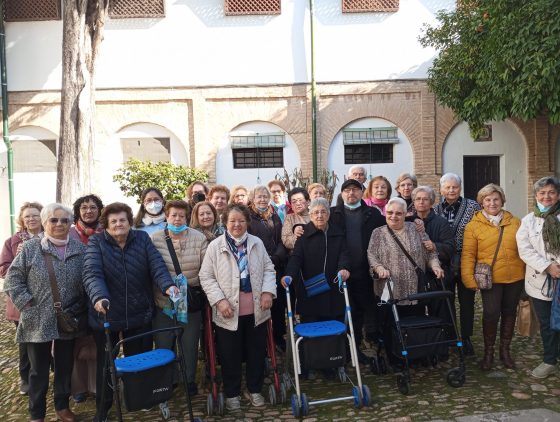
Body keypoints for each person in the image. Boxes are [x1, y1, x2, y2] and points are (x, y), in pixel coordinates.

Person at [82, 202, 178, 421]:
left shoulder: (142, 239)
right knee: (106, 365)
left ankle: (140, 398)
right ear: (106, 224)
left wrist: (167, 285)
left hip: (139, 312)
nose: (118, 224)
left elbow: (157, 265)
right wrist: (99, 297)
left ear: (129, 221)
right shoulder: (96, 242)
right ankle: (103, 409)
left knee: (140, 360)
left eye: (122, 220)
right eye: (113, 221)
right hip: (107, 313)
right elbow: (91, 273)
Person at [5, 203, 86, 422]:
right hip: (36, 319)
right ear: (44, 222)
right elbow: (12, 280)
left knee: (64, 367)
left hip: (68, 318)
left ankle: (62, 407)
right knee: (38, 371)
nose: (59, 224)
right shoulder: (31, 248)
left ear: (70, 224)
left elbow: (88, 281)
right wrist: (27, 305)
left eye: (64, 220)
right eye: (53, 220)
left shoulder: (80, 249)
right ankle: (36, 414)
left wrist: (81, 306)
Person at [199, 204, 276, 411]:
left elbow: (269, 268)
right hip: (227, 312)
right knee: (229, 354)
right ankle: (232, 393)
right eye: (232, 221)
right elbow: (205, 277)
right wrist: (220, 301)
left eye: (241, 221)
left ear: (247, 223)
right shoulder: (215, 246)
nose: (237, 225)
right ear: (225, 222)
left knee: (256, 352)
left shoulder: (257, 243)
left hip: (257, 310)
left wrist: (268, 291)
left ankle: (255, 389)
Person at [367, 197, 444, 367]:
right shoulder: (378, 233)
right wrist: (379, 268)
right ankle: (395, 358)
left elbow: (430, 253)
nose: (393, 216)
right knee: (390, 325)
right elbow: (371, 255)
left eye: (398, 213)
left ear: (406, 214)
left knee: (413, 322)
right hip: (389, 289)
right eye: (390, 212)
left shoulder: (416, 229)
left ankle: (416, 354)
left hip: (414, 288)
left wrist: (435, 266)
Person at [461, 184, 525, 370]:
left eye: (496, 199)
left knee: (510, 312)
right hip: (491, 279)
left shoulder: (515, 222)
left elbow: (524, 249)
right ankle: (488, 353)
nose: (492, 203)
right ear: (481, 203)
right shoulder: (473, 226)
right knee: (490, 313)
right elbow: (468, 255)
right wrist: (469, 279)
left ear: (502, 200)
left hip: (515, 276)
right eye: (487, 200)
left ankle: (505, 351)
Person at [151, 200, 208, 396]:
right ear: (166, 216)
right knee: (164, 341)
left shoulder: (198, 238)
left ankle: (189, 379)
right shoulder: (155, 239)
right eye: (173, 215)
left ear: (187, 217)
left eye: (181, 215)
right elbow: (151, 268)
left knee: (190, 343)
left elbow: (206, 268)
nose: (177, 219)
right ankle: (168, 380)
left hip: (190, 300)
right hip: (163, 299)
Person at [329, 179, 385, 362]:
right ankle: (339, 349)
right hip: (339, 272)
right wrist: (298, 228)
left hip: (363, 271)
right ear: (342, 194)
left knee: (359, 311)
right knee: (340, 311)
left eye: (355, 190)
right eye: (347, 190)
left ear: (362, 192)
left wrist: (412, 219)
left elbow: (389, 225)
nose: (351, 193)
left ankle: (356, 347)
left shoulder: (372, 214)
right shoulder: (332, 214)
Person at [516, 176, 560, 379]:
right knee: (547, 323)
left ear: (557, 195)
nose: (547, 196)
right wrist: (548, 266)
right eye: (542, 193)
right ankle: (550, 360)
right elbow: (524, 250)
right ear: (536, 196)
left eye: (551, 192)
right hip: (540, 280)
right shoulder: (528, 220)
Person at [434, 172, 481, 356]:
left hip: (466, 259)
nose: (451, 190)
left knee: (467, 301)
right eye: (447, 187)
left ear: (460, 188)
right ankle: (451, 336)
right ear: (441, 189)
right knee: (447, 300)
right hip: (443, 261)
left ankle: (467, 337)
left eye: (455, 187)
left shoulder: (473, 206)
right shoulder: (435, 209)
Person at [282, 198, 350, 323]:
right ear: (311, 215)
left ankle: (335, 343)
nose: (319, 215)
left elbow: (344, 254)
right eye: (316, 212)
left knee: (334, 324)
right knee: (311, 323)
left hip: (333, 287)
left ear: (328, 214)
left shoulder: (338, 233)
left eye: (323, 212)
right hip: (311, 288)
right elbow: (296, 257)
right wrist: (289, 274)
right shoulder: (303, 234)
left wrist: (343, 268)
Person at [0, 201, 43, 396]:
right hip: (22, 302)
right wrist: (17, 261)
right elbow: (3, 271)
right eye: (28, 216)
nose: (32, 219)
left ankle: (45, 372)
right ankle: (26, 379)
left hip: (47, 298)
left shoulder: (50, 236)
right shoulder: (12, 241)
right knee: (26, 343)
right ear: (22, 220)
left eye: (35, 215)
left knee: (49, 341)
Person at [69, 194, 104, 403]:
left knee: (98, 343)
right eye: (84, 207)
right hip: (75, 296)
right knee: (76, 344)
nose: (88, 211)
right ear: (78, 211)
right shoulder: (71, 234)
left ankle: (97, 385)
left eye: (93, 207)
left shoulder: (104, 232)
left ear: (100, 210)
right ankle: (79, 387)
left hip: (99, 295)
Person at [248, 185, 288, 350]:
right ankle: (263, 341)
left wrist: (276, 257)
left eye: (266, 196)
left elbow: (281, 240)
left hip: (276, 264)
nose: (263, 199)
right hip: (256, 266)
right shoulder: (248, 217)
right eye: (259, 196)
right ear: (253, 198)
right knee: (260, 303)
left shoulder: (275, 216)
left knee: (278, 304)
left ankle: (278, 337)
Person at [411, 186, 456, 327]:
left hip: (438, 275)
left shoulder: (441, 222)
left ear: (431, 202)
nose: (421, 202)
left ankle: (445, 341)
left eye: (425, 199)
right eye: (418, 199)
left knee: (441, 311)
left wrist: (435, 246)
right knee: (416, 311)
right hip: (416, 275)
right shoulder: (408, 222)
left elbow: (450, 248)